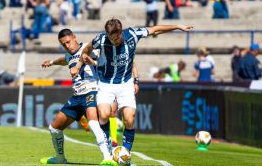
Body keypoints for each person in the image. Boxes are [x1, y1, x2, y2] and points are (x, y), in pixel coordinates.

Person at [70, 18, 193, 166]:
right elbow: (87, 48)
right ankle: (108, 150)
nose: (114, 41)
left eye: (116, 38)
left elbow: (155, 29)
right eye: (111, 38)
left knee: (129, 118)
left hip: (125, 83)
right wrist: (78, 65)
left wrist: (177, 26)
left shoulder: (133, 34)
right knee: (103, 115)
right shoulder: (101, 39)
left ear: (121, 32)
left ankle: (125, 154)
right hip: (105, 83)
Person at [40, 29, 117, 166]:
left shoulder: (88, 48)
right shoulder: (69, 56)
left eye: (68, 42)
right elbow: (63, 60)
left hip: (92, 91)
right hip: (77, 97)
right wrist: (51, 62)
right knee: (54, 128)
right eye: (64, 44)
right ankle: (60, 158)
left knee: (93, 123)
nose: (67, 46)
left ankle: (107, 157)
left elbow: (104, 55)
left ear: (74, 37)